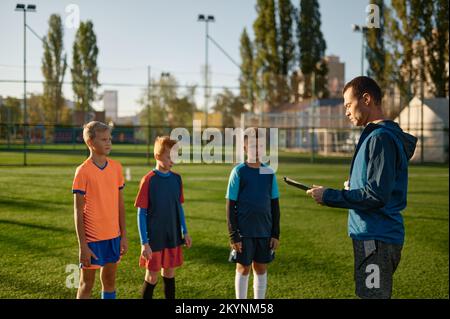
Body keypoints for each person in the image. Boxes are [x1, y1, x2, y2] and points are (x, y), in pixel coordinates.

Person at [306, 76, 417, 299]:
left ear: (366, 99)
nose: (346, 111)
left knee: (372, 297)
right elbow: (375, 186)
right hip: (372, 235)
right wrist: (351, 187)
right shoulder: (377, 136)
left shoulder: (381, 138)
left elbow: (375, 195)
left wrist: (329, 196)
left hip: (376, 237)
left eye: (348, 105)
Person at [72, 121, 127, 299]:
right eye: (103, 139)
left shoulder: (117, 168)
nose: (109, 142)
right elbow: (78, 212)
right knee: (86, 284)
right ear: (90, 143)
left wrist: (123, 235)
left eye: (109, 138)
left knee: (110, 281)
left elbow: (120, 205)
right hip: (92, 239)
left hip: (113, 237)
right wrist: (83, 246)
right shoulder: (82, 171)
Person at [225, 127, 280, 299]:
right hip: (244, 231)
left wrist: (275, 233)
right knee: (243, 268)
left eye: (260, 146)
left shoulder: (269, 172)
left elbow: (275, 205)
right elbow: (230, 206)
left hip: (264, 230)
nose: (257, 150)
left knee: (261, 268)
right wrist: (234, 235)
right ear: (244, 148)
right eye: (253, 146)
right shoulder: (239, 172)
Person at [135, 136, 192, 299]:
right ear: (157, 156)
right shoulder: (148, 180)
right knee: (152, 277)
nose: (173, 160)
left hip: (172, 235)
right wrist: (144, 242)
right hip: (154, 238)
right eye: (169, 156)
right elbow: (141, 213)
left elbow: (179, 207)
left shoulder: (176, 179)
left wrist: (185, 231)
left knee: (169, 274)